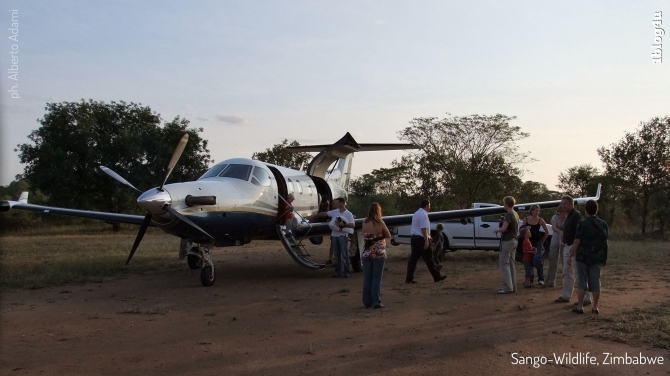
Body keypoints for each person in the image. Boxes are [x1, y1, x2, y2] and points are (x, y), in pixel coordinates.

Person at [568, 199, 608, 314]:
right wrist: (604, 257)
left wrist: (570, 254)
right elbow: (605, 242)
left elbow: (577, 241)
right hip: (598, 256)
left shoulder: (582, 223)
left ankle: (580, 306)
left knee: (581, 281)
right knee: (596, 281)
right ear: (596, 210)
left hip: (583, 256)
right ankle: (595, 307)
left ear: (586, 210)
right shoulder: (603, 224)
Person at [554, 195, 592, 305]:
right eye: (562, 203)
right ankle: (566, 295)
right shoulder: (569, 216)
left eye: (565, 203)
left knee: (577, 273)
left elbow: (578, 234)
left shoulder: (576, 216)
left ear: (571, 204)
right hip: (568, 246)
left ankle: (586, 297)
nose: (563, 206)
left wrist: (574, 249)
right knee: (567, 272)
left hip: (573, 247)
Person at [405, 199, 446, 284]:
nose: (430, 207)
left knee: (413, 259)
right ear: (426, 205)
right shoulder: (424, 215)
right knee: (429, 258)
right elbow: (423, 228)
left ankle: (409, 278)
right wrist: (426, 240)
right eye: (429, 206)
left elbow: (420, 227)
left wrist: (428, 236)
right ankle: (437, 277)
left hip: (414, 238)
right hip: (421, 239)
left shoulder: (416, 213)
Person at [315, 197, 355, 277]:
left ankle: (347, 272)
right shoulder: (335, 212)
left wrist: (344, 225)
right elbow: (325, 213)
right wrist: (314, 215)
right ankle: (338, 272)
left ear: (341, 203)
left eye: (337, 202)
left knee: (344, 254)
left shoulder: (348, 214)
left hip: (343, 235)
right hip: (334, 235)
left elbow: (353, 225)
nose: (335, 204)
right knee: (337, 254)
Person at [361, 203, 392, 309]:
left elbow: (364, 234)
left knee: (367, 277)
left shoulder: (364, 222)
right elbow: (388, 235)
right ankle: (376, 301)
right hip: (378, 252)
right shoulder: (380, 222)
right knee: (376, 278)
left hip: (367, 251)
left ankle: (367, 301)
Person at [493, 196, 519, 294]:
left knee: (504, 263)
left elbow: (504, 229)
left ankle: (508, 287)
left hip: (507, 241)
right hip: (514, 240)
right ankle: (513, 286)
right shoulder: (515, 214)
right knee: (511, 264)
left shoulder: (508, 215)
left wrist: (497, 230)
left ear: (507, 204)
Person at [522, 205, 549, 285]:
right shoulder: (526, 219)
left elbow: (547, 232)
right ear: (532, 211)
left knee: (538, 259)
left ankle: (541, 278)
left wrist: (542, 241)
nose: (537, 212)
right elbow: (522, 230)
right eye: (536, 211)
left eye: (538, 211)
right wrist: (526, 228)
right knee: (529, 260)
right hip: (529, 242)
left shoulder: (540, 220)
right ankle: (530, 278)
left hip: (537, 242)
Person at [544, 207, 566, 287]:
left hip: (564, 238)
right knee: (553, 259)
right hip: (556, 236)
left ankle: (565, 282)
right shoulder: (555, 217)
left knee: (565, 259)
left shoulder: (568, 217)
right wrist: (560, 232)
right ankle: (550, 280)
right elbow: (554, 227)